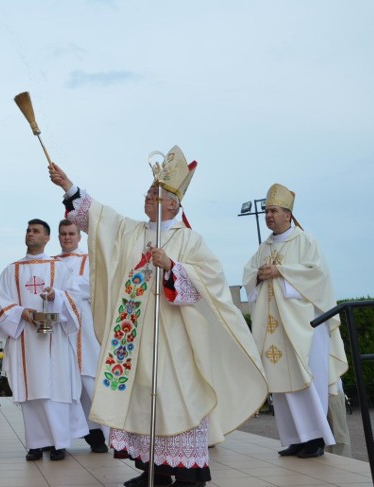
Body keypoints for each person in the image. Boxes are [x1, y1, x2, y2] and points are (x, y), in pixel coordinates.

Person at [49, 147, 267, 487]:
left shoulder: (190, 240)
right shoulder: (131, 231)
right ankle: (154, 470)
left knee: (175, 396)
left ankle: (190, 473)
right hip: (135, 336)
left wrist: (172, 268)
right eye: (149, 192)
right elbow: (98, 219)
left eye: (157, 194)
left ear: (174, 204)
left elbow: (210, 284)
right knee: (144, 394)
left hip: (175, 338)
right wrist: (69, 187)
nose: (150, 197)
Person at [243, 183, 348, 459]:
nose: (268, 216)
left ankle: (315, 439)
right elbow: (249, 274)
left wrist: (280, 271)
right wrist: (259, 275)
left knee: (306, 381)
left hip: (305, 328)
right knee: (282, 385)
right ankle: (296, 438)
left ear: (288, 214)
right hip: (275, 326)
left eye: (273, 211)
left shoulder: (305, 241)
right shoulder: (264, 247)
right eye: (266, 211)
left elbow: (318, 276)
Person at [0, 219, 88, 462]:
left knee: (55, 391)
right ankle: (36, 443)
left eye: (36, 231)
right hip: (25, 340)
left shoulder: (60, 268)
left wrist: (56, 296)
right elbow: (2, 301)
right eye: (28, 230)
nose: (30, 234)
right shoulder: (11, 270)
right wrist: (24, 313)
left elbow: (75, 300)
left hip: (55, 343)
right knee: (32, 393)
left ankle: (59, 444)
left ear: (47, 238)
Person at [55, 219, 108, 453]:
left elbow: (94, 287)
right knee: (62, 383)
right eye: (63, 234)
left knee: (90, 380)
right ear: (58, 237)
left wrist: (63, 288)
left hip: (85, 329)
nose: (67, 238)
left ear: (79, 236)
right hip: (58, 330)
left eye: (71, 234)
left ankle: (97, 433)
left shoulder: (89, 260)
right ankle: (58, 438)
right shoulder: (51, 262)